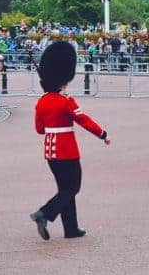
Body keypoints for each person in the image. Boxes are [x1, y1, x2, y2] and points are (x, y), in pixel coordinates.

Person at [29, 42, 109, 240]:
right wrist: (103, 134)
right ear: (63, 79)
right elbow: (84, 121)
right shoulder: (66, 101)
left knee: (65, 189)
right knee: (73, 188)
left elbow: (40, 130)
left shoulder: (42, 101)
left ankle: (71, 229)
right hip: (67, 151)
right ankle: (44, 213)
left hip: (50, 153)